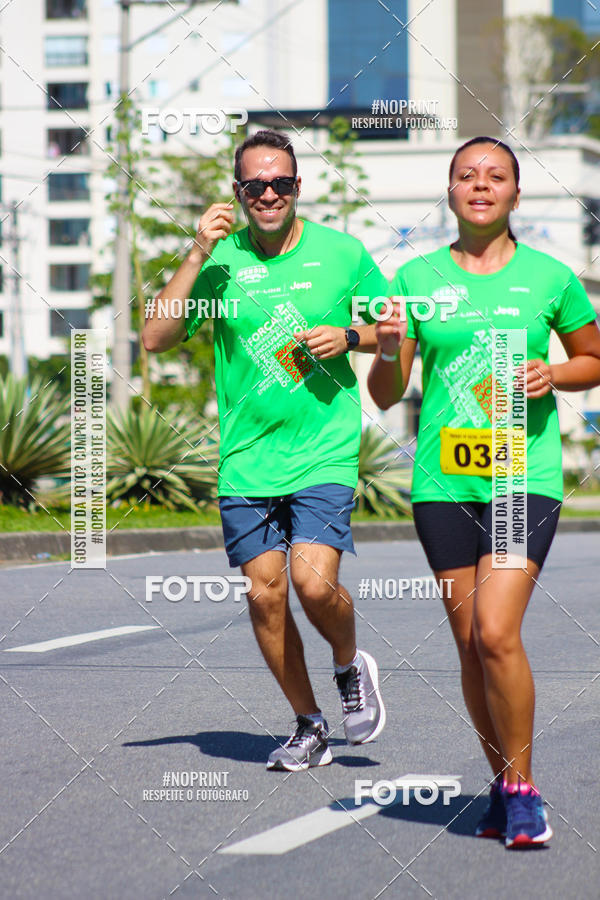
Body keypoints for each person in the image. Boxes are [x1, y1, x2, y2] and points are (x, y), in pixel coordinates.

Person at [368, 136, 600, 847]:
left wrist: (553, 375)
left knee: (497, 632)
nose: (480, 184)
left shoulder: (549, 277)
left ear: (515, 195)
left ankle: (524, 791)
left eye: (496, 176)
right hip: (442, 483)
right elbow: (386, 394)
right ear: (450, 192)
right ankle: (501, 783)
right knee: (470, 645)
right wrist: (385, 348)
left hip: (517, 478)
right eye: (466, 174)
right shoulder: (415, 276)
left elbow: (593, 358)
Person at [143, 129, 386, 771]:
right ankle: (309, 725)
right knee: (264, 594)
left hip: (323, 450)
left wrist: (350, 334)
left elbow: (396, 325)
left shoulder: (342, 252)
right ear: (238, 191)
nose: (269, 194)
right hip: (247, 460)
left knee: (312, 582)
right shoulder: (219, 262)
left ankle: (348, 664)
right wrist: (197, 249)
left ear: (298, 187)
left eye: (280, 183)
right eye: (256, 185)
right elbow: (155, 337)